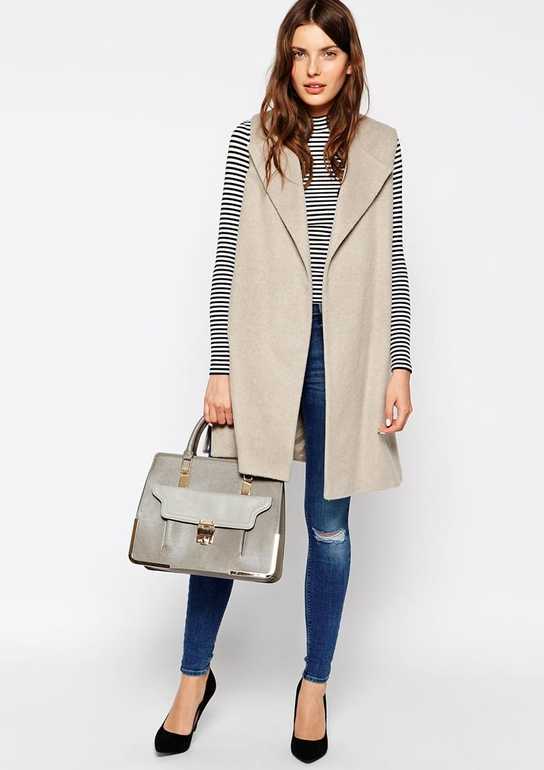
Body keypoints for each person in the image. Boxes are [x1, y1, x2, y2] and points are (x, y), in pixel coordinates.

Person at [155, 0, 413, 762]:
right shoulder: (254, 139)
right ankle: (194, 678)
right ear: (285, 60)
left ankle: (313, 687)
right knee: (226, 519)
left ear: (350, 61)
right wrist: (220, 366)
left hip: (347, 355)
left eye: (327, 53)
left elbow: (393, 263)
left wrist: (400, 364)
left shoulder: (382, 146)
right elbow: (227, 258)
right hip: (264, 351)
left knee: (328, 528)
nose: (312, 68)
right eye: (300, 53)